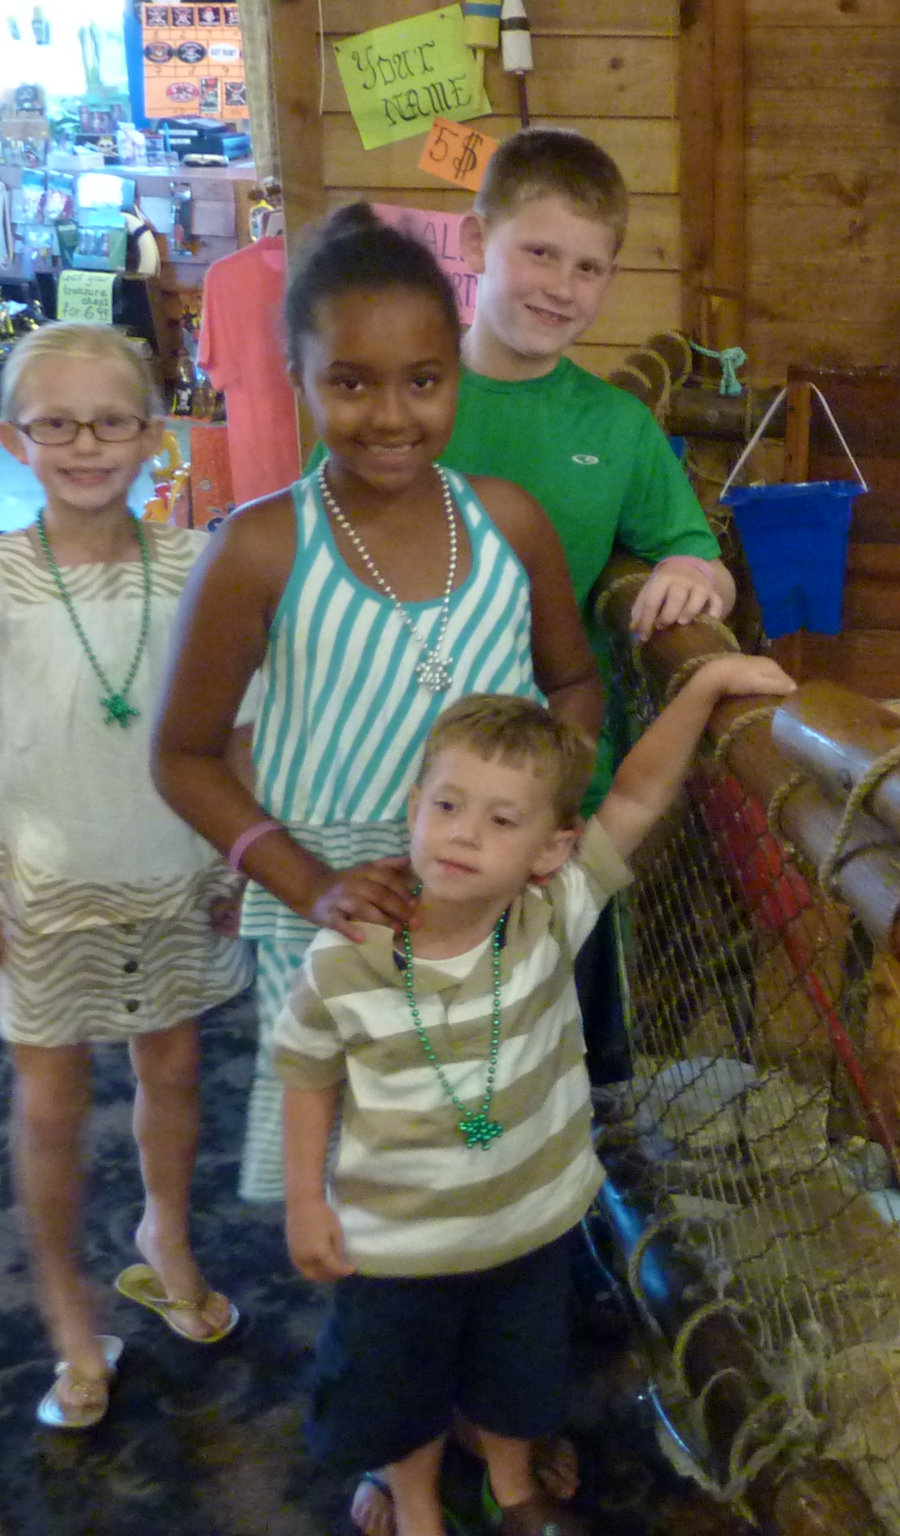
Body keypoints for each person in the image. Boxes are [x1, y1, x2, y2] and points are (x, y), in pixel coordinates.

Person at [150, 201, 604, 1211]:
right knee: (360, 1180)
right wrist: (309, 884)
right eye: (349, 383)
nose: (390, 416)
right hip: (335, 918)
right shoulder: (261, 548)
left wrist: (535, 818)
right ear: (298, 377)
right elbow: (181, 755)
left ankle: (491, 1304)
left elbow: (572, 680)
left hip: (488, 902)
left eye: (422, 381)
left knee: (486, 1135)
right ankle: (375, 1354)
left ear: (454, 371)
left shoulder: (507, 524)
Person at [278, 656, 796, 1536]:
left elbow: (633, 798)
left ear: (550, 850)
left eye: (501, 819)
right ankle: (412, 1501)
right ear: (414, 810)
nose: (464, 834)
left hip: (529, 1227)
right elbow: (305, 1071)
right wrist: (302, 1200)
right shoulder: (347, 953)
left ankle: (513, 1487)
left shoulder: (550, 917)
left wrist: (701, 688)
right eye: (446, 806)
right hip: (397, 1247)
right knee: (392, 1387)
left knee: (521, 1376)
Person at [310, 128, 735, 1098]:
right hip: (383, 788)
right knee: (390, 1054)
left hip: (539, 808)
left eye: (589, 267)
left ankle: (555, 1226)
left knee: (550, 1057)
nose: (561, 286)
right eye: (539, 252)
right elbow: (309, 568)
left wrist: (691, 577)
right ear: (474, 241)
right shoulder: (405, 401)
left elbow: (696, 549)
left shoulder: (618, 429)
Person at [0, 323, 247, 1431]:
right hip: (46, 886)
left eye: (111, 421)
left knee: (175, 1067)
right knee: (51, 1101)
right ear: (15, 439)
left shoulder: (195, 566)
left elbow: (228, 728)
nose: (85, 445)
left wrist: (239, 845)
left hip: (173, 871)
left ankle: (167, 1238)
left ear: (154, 434)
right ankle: (67, 1314)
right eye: (56, 423)